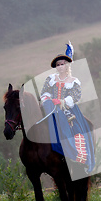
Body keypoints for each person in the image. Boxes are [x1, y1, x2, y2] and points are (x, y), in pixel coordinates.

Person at [40, 42, 95, 173]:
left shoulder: (73, 81)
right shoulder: (51, 79)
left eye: (62, 64)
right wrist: (48, 99)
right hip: (50, 107)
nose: (60, 66)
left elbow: (76, 96)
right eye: (58, 65)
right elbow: (44, 92)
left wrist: (61, 101)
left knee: (77, 129)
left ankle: (77, 156)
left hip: (68, 109)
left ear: (67, 65)